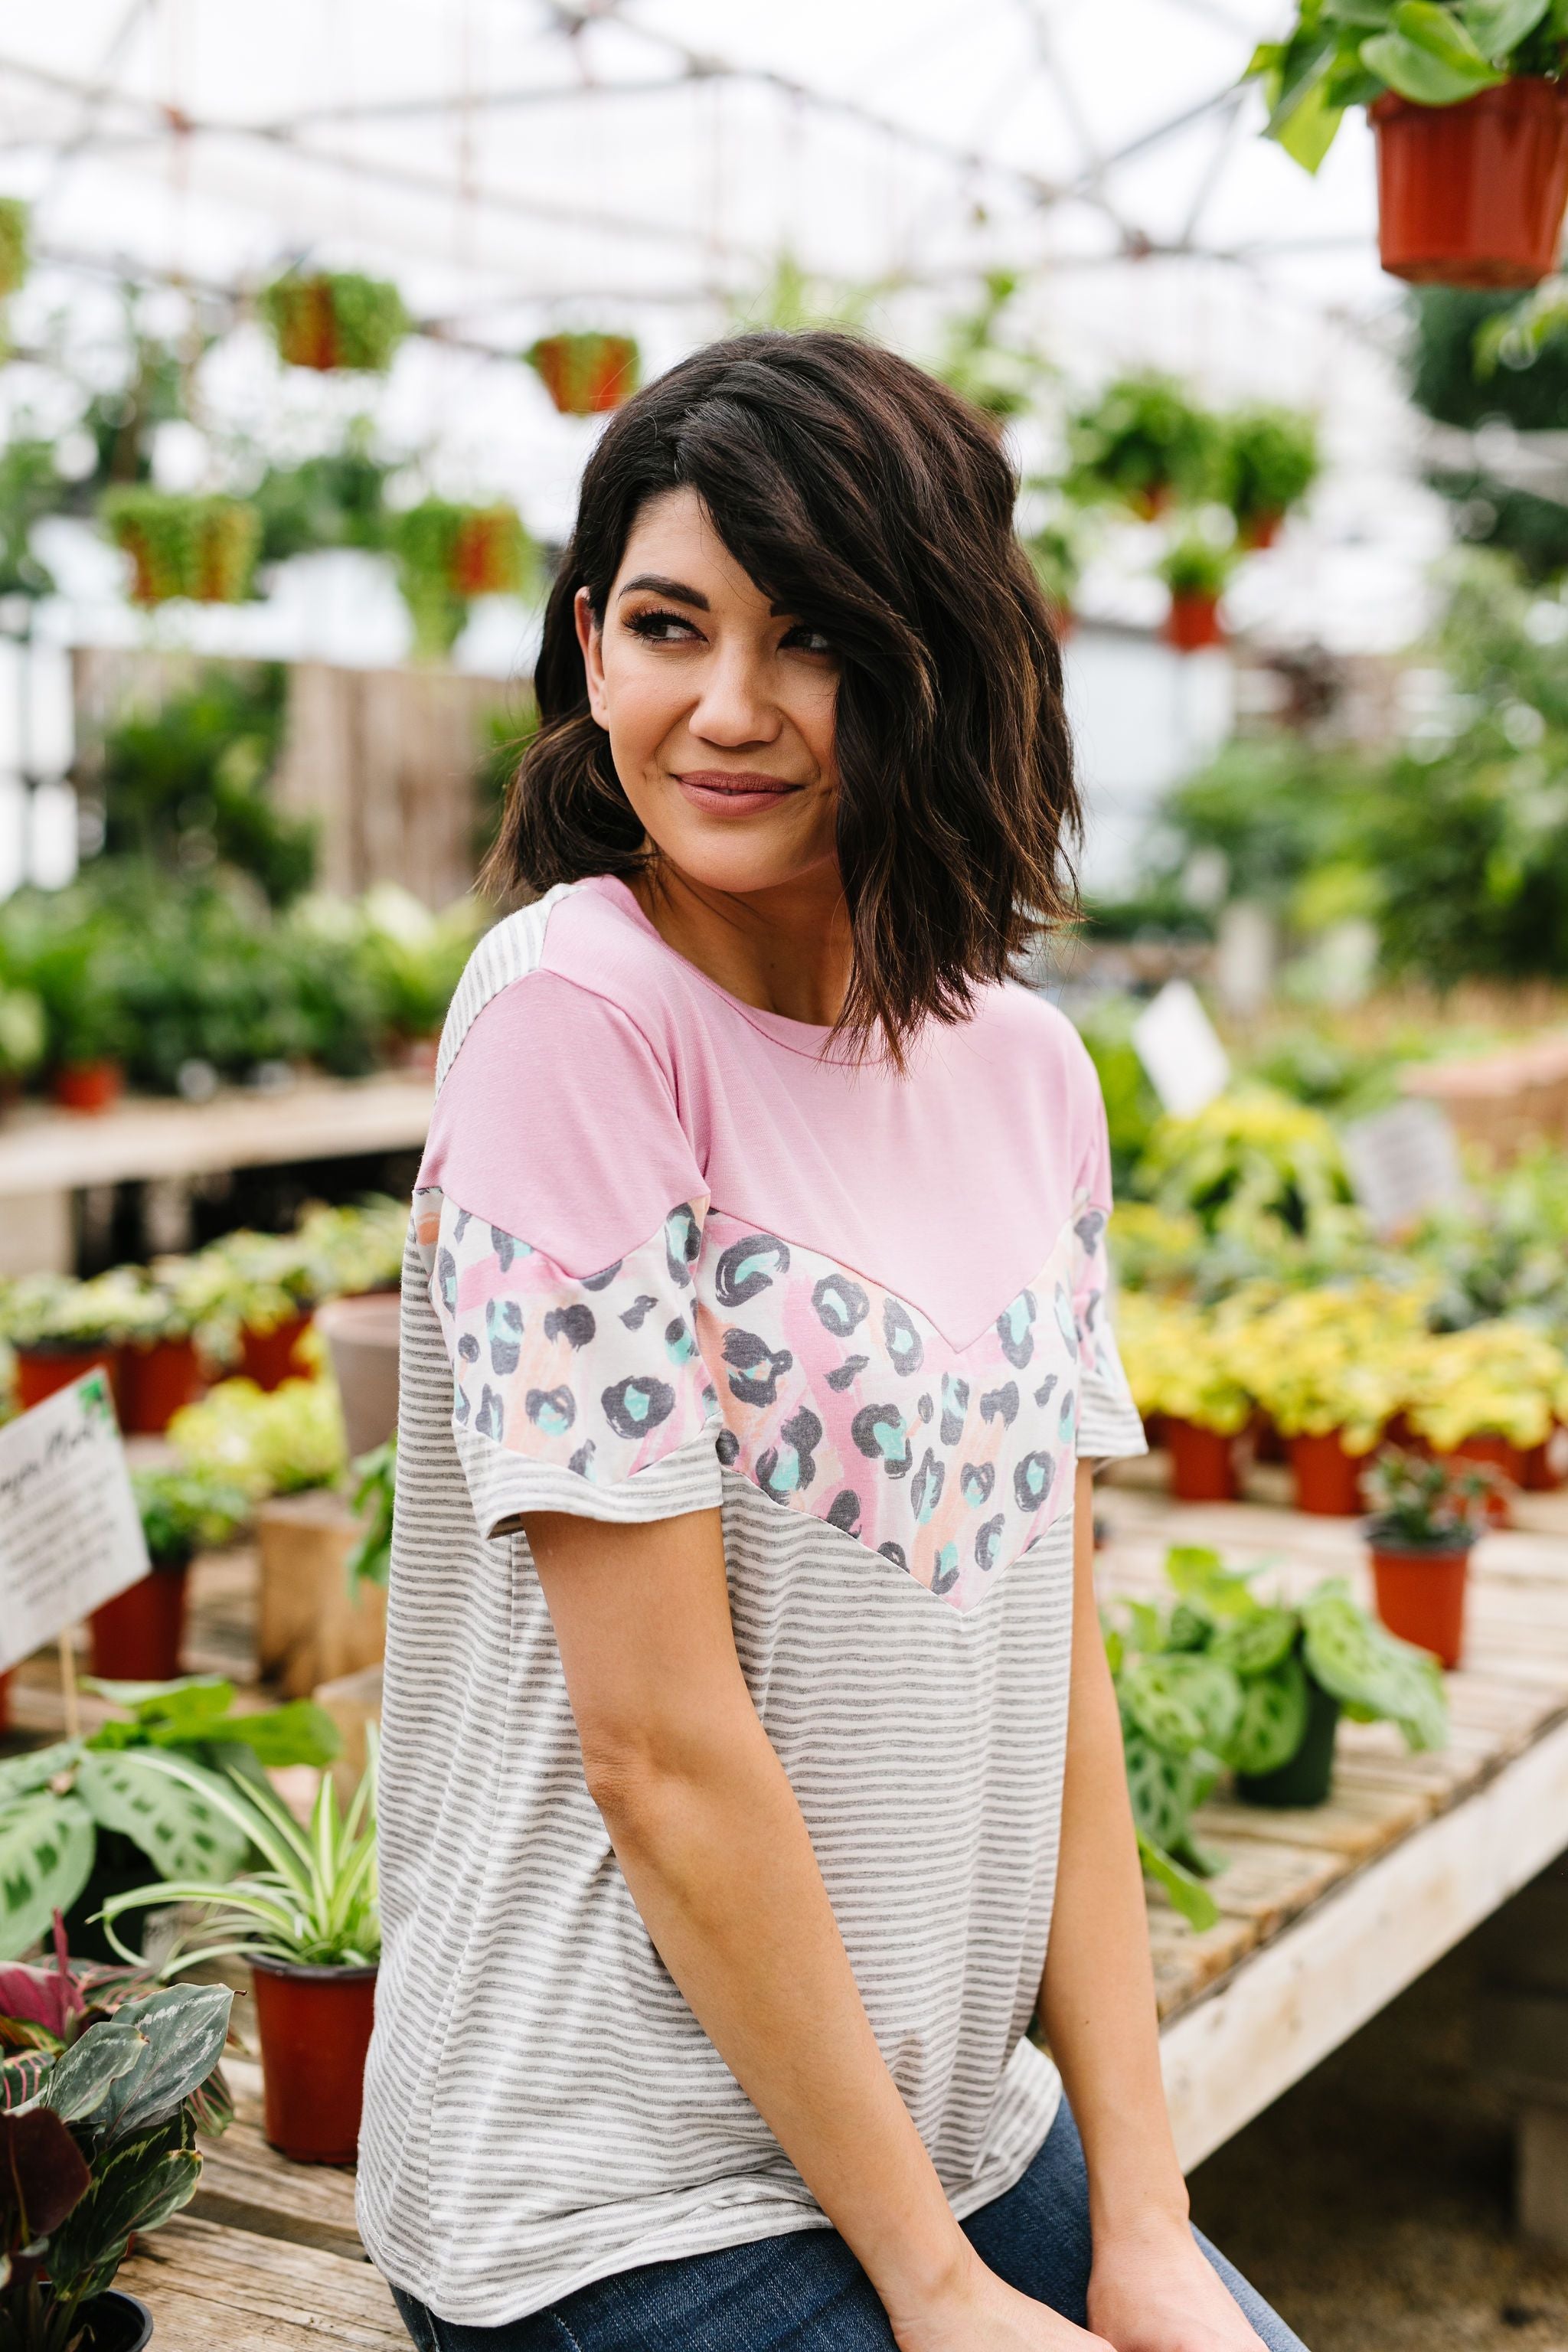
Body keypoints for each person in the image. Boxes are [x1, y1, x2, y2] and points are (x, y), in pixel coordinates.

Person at [358, 331, 1308, 2352]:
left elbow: (1055, 1686)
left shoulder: (1034, 1073)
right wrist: (936, 2293)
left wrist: (1142, 2216)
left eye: (809, 641)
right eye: (669, 627)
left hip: (967, 2139)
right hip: (610, 2191)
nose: (728, 710)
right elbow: (659, 1752)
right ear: (588, 644)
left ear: (933, 655)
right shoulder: (569, 1021)